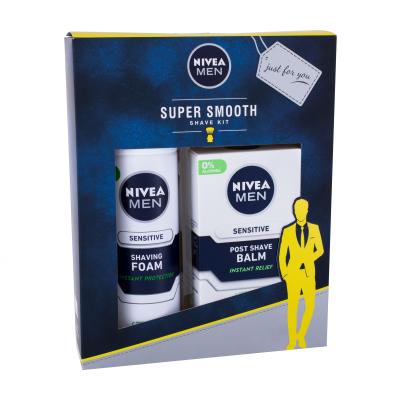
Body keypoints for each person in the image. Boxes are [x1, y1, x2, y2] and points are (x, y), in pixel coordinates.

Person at [278, 197, 324, 349]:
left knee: (310, 306)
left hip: (309, 274)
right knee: (292, 308)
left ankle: (301, 335)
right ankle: (292, 340)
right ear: (294, 211)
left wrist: (308, 257)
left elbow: (320, 250)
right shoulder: (287, 231)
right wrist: (285, 274)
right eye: (296, 209)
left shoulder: (315, 228)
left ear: (307, 210)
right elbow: (282, 255)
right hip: (293, 275)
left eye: (302, 209)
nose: (299, 212)